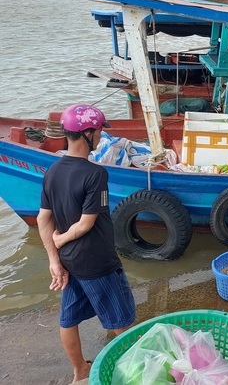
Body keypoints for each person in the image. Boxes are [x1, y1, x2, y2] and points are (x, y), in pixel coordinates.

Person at [38, 104, 136, 382]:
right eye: (100, 130)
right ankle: (139, 370)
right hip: (96, 260)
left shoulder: (52, 171)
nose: (102, 136)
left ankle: (80, 370)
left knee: (68, 318)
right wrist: (61, 238)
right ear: (87, 133)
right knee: (122, 320)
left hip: (70, 261)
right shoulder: (96, 174)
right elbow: (86, 223)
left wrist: (55, 259)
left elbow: (44, 219)